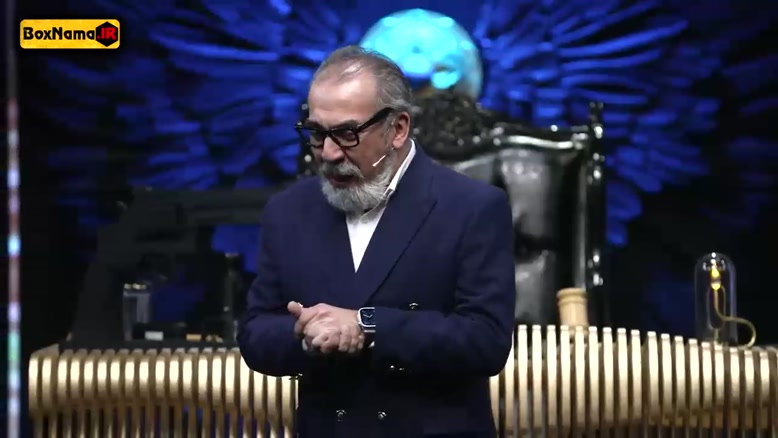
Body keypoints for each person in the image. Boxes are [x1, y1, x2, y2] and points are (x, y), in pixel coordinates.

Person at [237, 45, 516, 438]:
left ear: (397, 129)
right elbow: (255, 333)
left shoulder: (472, 207)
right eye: (316, 133)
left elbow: (486, 342)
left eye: (346, 134)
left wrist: (368, 325)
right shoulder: (287, 211)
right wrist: (307, 335)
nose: (328, 153)